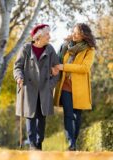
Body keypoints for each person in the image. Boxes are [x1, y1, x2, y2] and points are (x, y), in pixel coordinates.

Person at [13, 24, 59, 150]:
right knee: (30, 116)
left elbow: (57, 69)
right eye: (47, 34)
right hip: (29, 88)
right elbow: (17, 67)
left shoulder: (50, 49)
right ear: (39, 37)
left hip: (44, 89)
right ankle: (32, 144)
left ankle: (39, 143)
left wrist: (50, 85)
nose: (49, 36)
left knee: (41, 117)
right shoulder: (26, 49)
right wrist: (19, 77)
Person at [53, 23, 96, 151]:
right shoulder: (66, 46)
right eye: (74, 32)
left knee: (77, 117)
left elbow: (84, 68)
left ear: (84, 35)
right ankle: (71, 144)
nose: (74, 34)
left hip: (79, 88)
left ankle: (74, 141)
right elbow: (57, 61)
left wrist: (64, 67)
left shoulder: (89, 50)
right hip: (65, 85)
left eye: (77, 33)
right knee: (68, 114)